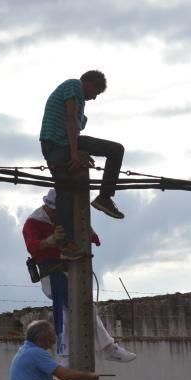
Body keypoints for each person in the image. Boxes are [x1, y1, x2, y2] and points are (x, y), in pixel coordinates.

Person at [21, 192, 136, 362]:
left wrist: (90, 236)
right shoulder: (34, 222)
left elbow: (87, 232)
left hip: (71, 271)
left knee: (76, 310)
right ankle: (104, 348)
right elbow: (32, 247)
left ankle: (69, 355)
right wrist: (50, 240)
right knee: (77, 308)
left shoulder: (67, 216)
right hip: (52, 273)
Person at [39, 70, 126, 251]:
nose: (94, 98)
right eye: (96, 92)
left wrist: (80, 153)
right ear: (90, 82)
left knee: (66, 191)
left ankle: (68, 242)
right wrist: (74, 154)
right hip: (56, 145)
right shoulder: (74, 86)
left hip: (60, 145)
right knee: (66, 190)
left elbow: (75, 129)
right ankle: (103, 199)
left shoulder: (80, 104)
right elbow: (70, 119)